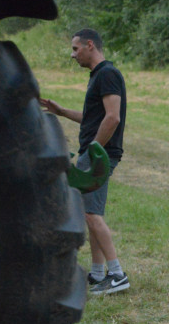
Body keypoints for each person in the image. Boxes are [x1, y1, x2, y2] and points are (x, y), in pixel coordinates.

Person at [40, 28, 129, 295]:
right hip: (96, 152)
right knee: (92, 213)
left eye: (76, 48)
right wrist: (62, 112)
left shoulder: (108, 74)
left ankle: (117, 274)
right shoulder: (99, 76)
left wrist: (92, 150)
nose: (72, 54)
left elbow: (112, 118)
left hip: (101, 154)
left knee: (90, 214)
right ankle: (98, 273)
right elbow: (94, 118)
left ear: (90, 45)